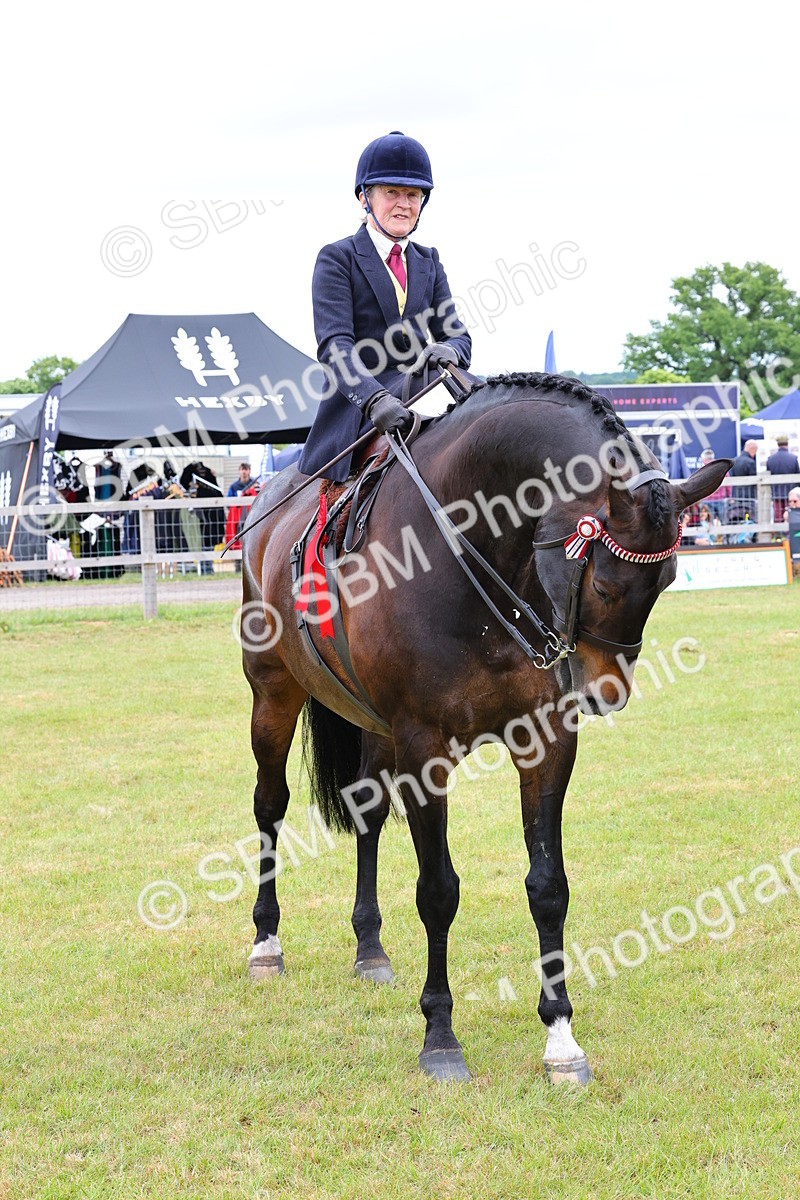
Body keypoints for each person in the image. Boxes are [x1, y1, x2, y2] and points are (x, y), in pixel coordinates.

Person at [298, 131, 472, 483]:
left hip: (424, 389)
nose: (404, 204)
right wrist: (374, 399)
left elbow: (459, 337)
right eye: (392, 193)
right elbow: (335, 347)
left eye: (413, 195)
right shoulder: (337, 258)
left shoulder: (429, 261)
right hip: (362, 405)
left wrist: (448, 349)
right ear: (365, 197)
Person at [766, 435, 800, 520]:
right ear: (787, 444)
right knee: (792, 516)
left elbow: (768, 477)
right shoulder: (793, 458)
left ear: (778, 445)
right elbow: (797, 475)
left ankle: (778, 532)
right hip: (791, 494)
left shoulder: (770, 459)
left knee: (778, 516)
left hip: (776, 493)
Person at [729, 438, 758, 523]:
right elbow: (754, 481)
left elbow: (732, 478)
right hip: (750, 496)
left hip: (736, 495)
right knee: (750, 518)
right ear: (752, 449)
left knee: (737, 518)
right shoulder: (751, 463)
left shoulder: (734, 461)